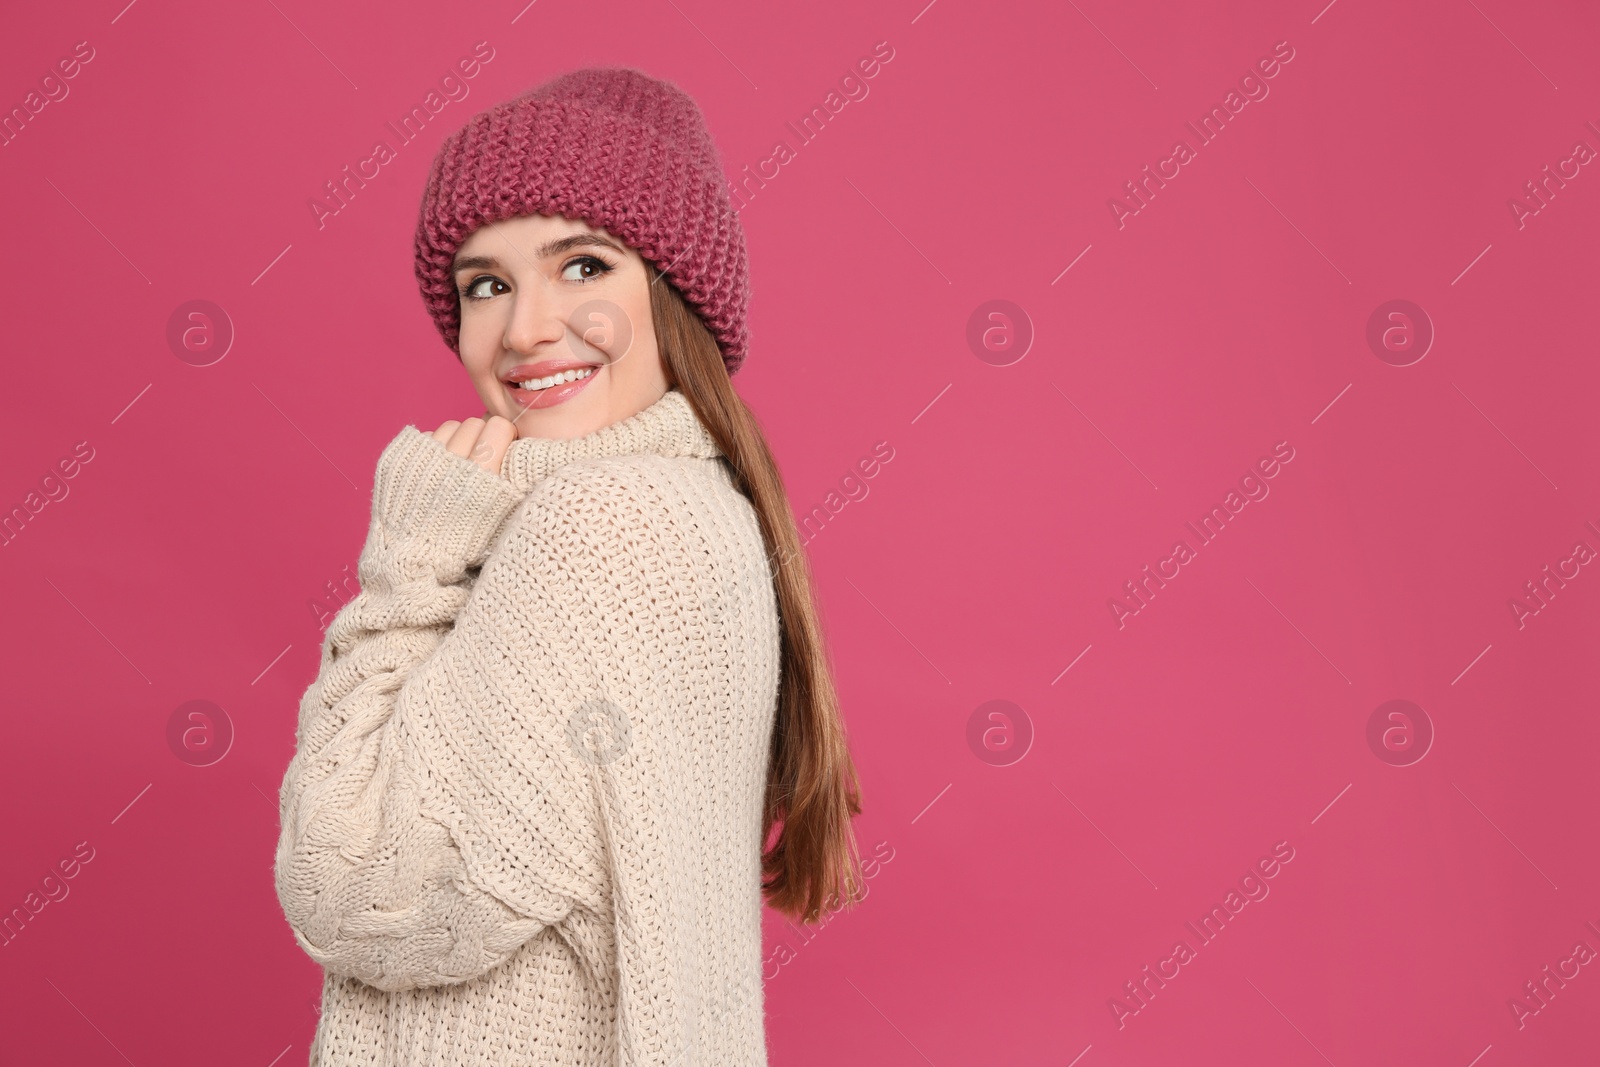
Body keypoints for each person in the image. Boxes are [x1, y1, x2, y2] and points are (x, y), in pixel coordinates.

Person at [272, 67, 865, 1066]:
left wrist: (408, 568)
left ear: (675, 294)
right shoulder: (707, 516)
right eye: (486, 285)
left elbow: (359, 888)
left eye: (582, 266)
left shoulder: (594, 526)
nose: (525, 328)